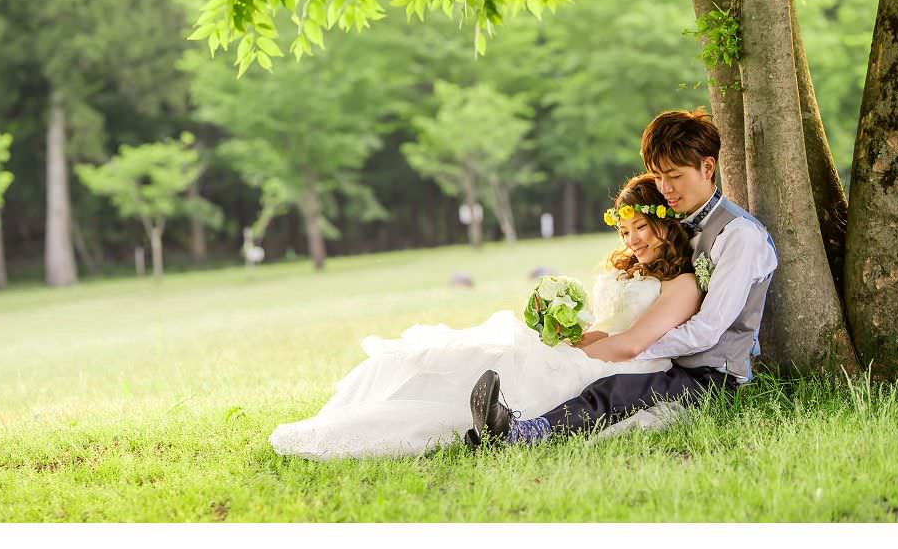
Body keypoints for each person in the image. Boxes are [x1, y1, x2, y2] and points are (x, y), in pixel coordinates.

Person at [269, 174, 700, 460]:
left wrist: (580, 350)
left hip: (628, 364)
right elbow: (606, 325)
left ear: (665, 221)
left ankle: (491, 419)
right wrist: (568, 331)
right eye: (624, 232)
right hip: (599, 347)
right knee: (460, 351)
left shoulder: (682, 284)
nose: (632, 240)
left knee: (503, 363)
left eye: (640, 227)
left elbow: (632, 343)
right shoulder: (631, 268)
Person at [468, 107, 778, 447]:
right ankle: (499, 421)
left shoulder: (740, 235)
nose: (665, 188)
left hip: (711, 376)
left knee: (614, 389)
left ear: (707, 167)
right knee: (592, 375)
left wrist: (632, 347)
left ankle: (522, 435)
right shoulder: (678, 225)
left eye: (674, 176)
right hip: (669, 360)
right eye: (658, 177)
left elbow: (708, 330)